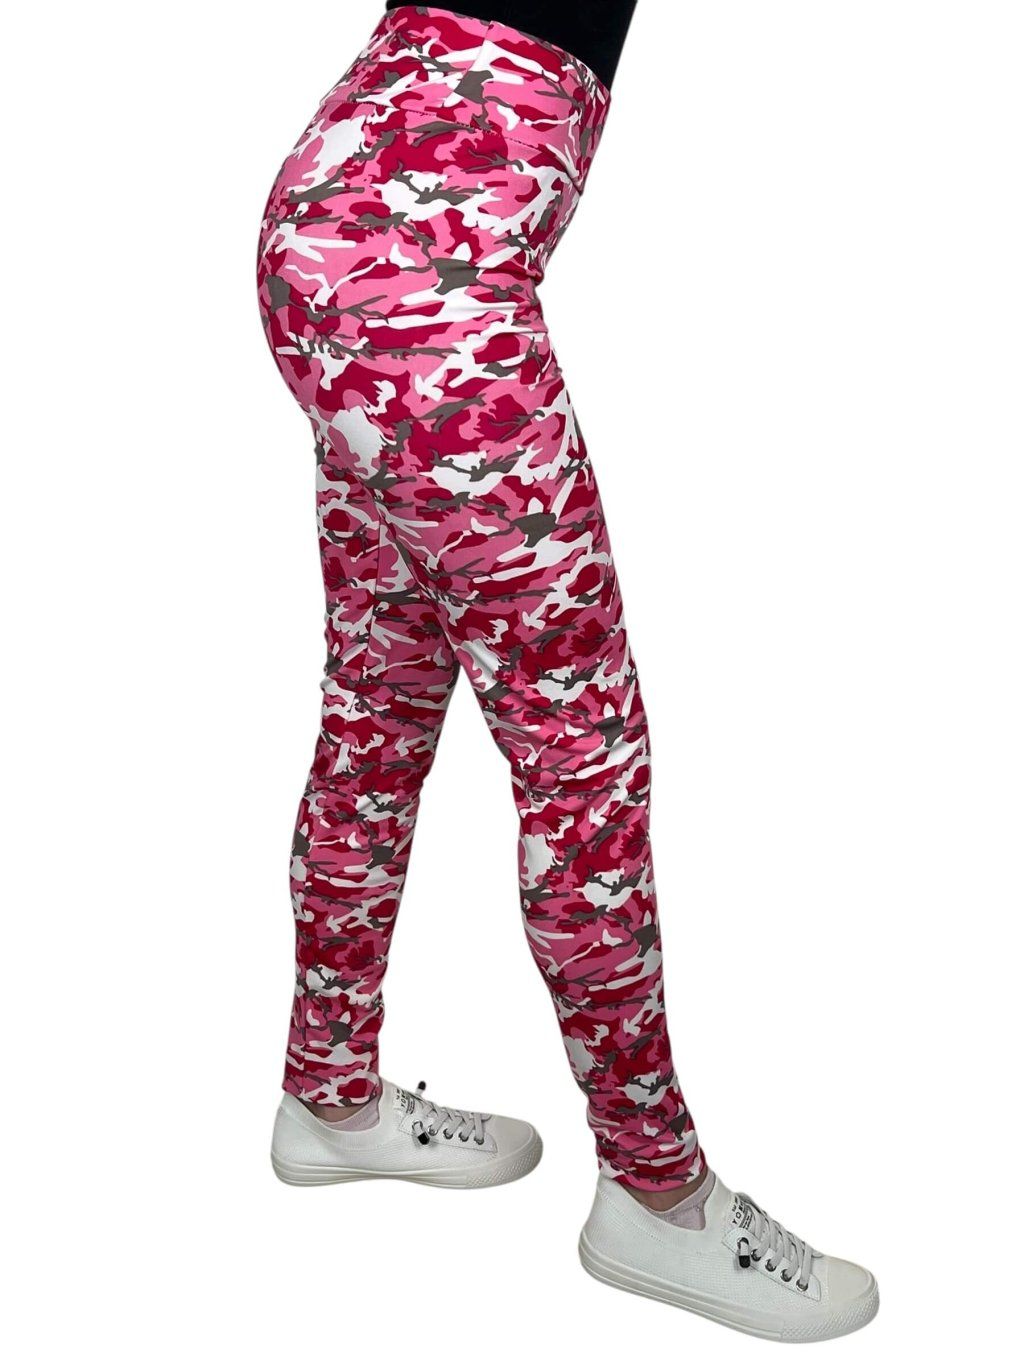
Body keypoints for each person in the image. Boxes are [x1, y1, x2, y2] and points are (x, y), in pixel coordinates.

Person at [256, 2, 877, 1341]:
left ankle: (330, 1093)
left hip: (341, 227)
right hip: (419, 276)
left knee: (381, 705)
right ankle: (658, 1200)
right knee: (581, 750)